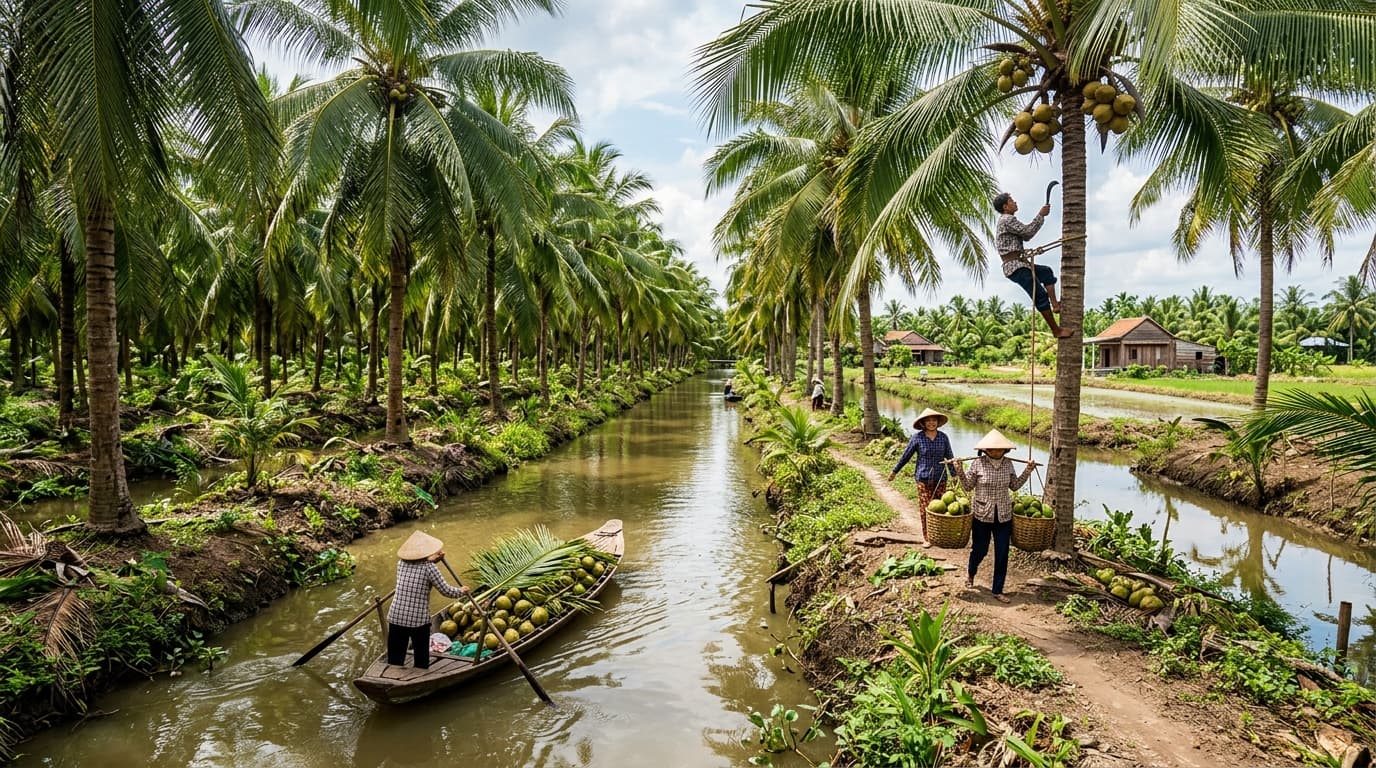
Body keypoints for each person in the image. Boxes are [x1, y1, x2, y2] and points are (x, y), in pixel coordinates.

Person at [953, 429, 1036, 604]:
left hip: (1004, 515)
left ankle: (998, 589)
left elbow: (1014, 486)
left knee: (1002, 552)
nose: (996, 451)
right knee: (980, 549)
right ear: (986, 450)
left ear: (1005, 450)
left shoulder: (1008, 464)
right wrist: (959, 470)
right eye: (992, 449)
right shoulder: (978, 464)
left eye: (999, 449)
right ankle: (971, 572)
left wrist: (1028, 470)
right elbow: (967, 487)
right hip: (982, 514)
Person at [994, 192, 1071, 339]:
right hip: (1015, 266)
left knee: (1046, 272)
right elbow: (1028, 233)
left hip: (1020, 263)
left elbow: (1025, 236)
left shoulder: (1006, 220)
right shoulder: (1007, 219)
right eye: (1011, 200)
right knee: (1040, 296)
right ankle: (1056, 331)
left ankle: (1055, 305)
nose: (1015, 202)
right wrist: (1041, 215)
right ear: (1005, 207)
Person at [387, 530, 469, 668]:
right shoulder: (430, 568)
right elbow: (446, 591)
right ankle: (420, 670)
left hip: (396, 616)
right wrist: (461, 591)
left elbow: (418, 567)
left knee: (395, 657)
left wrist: (434, 560)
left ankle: (392, 671)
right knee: (421, 657)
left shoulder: (400, 564)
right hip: (418, 620)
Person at [887, 408, 953, 548]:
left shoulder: (943, 437)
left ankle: (939, 535)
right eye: (928, 421)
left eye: (934, 420)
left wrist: (955, 475)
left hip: (940, 478)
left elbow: (950, 457)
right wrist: (895, 471)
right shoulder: (917, 438)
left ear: (938, 422)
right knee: (925, 508)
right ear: (923, 423)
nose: (931, 423)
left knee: (941, 508)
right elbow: (906, 456)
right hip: (923, 478)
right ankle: (927, 537)